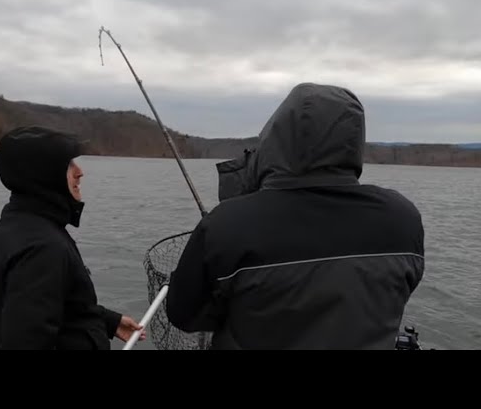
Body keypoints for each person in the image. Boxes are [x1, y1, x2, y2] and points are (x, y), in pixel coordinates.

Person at [165, 83, 425, 350]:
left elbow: (182, 313)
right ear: (353, 140)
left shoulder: (226, 224)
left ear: (274, 140)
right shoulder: (403, 218)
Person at [0, 126, 145, 350]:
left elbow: (56, 305)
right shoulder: (43, 248)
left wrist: (108, 321)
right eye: (69, 164)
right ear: (44, 174)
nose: (80, 172)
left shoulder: (22, 224)